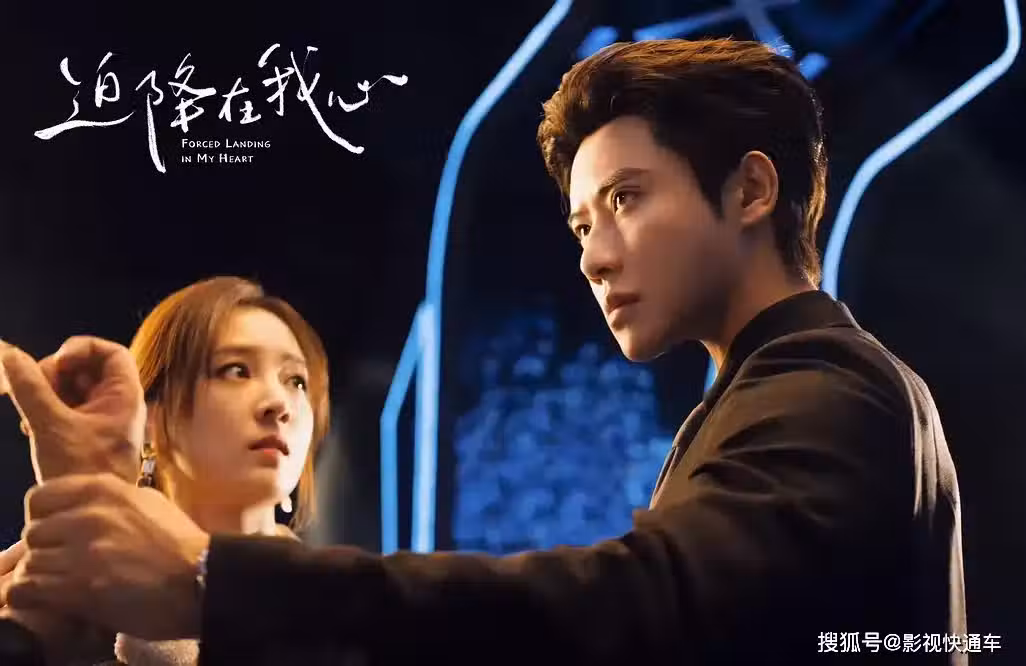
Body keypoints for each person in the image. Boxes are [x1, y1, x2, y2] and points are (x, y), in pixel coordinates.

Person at [2, 38, 965, 665]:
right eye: (581, 223)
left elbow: (638, 607)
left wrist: (213, 581)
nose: (593, 255)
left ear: (751, 191)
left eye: (626, 200)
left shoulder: (826, 383)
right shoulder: (777, 392)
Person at [0, 275, 331, 664]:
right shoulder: (68, 608)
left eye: (296, 381)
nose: (279, 403)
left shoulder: (346, 622)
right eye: (236, 370)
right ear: (149, 418)